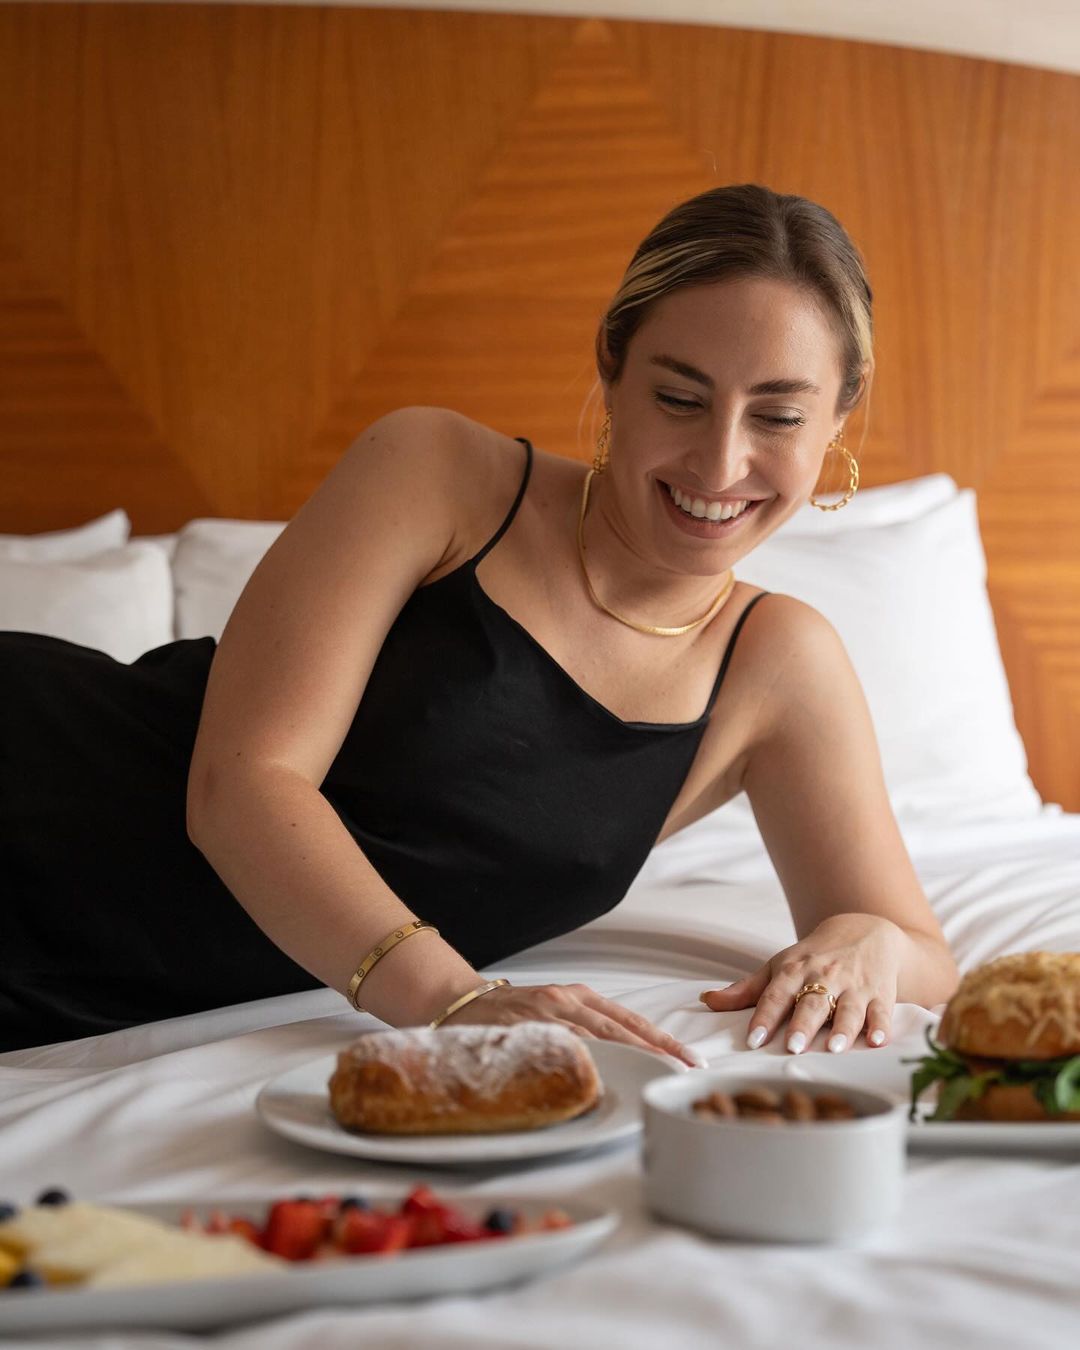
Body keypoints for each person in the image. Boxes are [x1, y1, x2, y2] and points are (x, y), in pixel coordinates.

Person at [1, 183, 958, 1055]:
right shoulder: (439, 474)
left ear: (840, 417)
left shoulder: (779, 666)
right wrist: (449, 997)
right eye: (679, 397)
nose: (718, 464)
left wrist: (863, 941)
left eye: (779, 417)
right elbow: (244, 783)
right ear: (612, 370)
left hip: (102, 996)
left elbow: (922, 952)